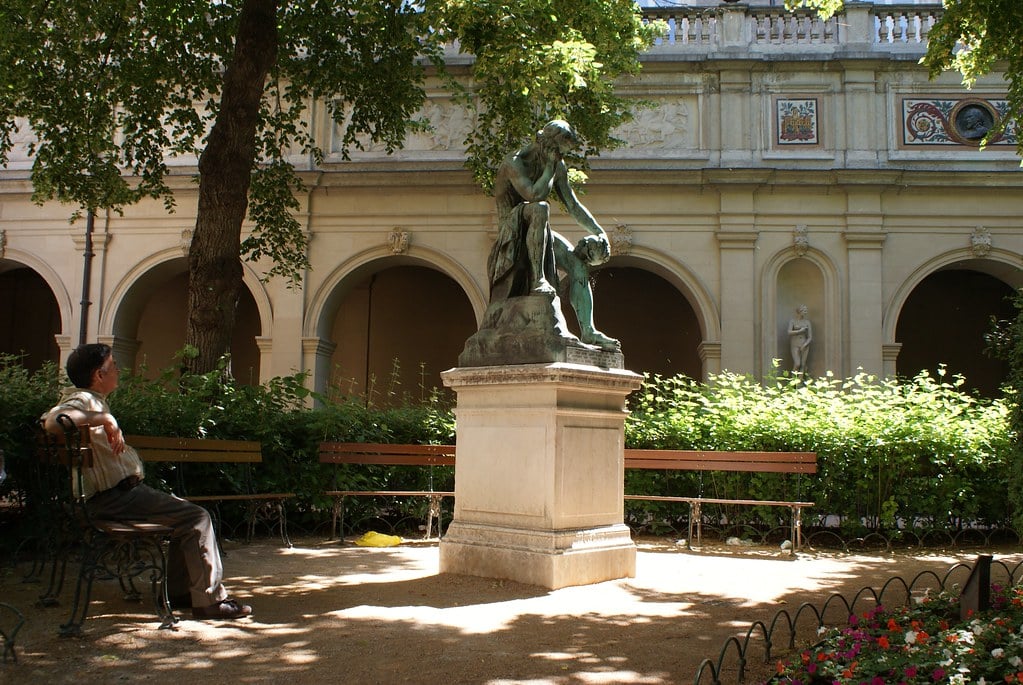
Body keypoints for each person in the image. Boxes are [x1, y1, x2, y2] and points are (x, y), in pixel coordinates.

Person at [41, 343, 253, 620]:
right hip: (115, 499)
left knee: (186, 516)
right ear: (99, 375)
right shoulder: (85, 400)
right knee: (197, 517)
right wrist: (105, 418)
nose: (118, 370)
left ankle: (184, 593)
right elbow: (54, 421)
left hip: (113, 498)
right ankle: (209, 601)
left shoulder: (91, 400)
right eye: (113, 366)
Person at [488, 119, 620, 351]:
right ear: (548, 143)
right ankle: (538, 280)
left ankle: (589, 331)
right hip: (511, 231)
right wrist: (549, 166)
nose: (561, 157)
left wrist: (599, 232)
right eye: (560, 151)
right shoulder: (514, 162)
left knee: (578, 265)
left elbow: (573, 205)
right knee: (540, 208)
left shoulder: (557, 165)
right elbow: (534, 195)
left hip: (538, 228)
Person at [787, 304, 813, 375]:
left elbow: (810, 337)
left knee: (803, 364)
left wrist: (804, 345)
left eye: (806, 311)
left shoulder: (807, 322)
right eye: (804, 311)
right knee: (797, 363)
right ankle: (793, 380)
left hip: (804, 344)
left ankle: (800, 380)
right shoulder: (793, 321)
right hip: (795, 344)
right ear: (799, 311)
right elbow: (789, 332)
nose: (805, 312)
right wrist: (799, 331)